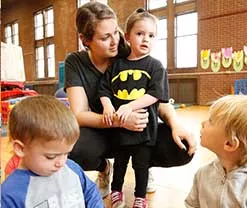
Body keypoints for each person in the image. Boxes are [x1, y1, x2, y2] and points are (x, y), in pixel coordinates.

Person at [64, 1, 195, 199]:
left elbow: (158, 98)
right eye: (105, 37)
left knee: (181, 147)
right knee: (72, 148)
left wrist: (176, 124)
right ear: (85, 40)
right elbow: (79, 114)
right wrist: (120, 120)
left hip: (140, 129)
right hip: (105, 129)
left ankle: (145, 161)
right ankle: (104, 167)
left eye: (115, 32)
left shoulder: (129, 50)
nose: (114, 41)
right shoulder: (75, 62)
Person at [98, 8, 168, 208]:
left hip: (144, 129)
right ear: (127, 36)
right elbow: (104, 89)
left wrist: (129, 106)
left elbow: (155, 93)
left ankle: (140, 197)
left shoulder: (155, 66)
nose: (146, 39)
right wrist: (107, 106)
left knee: (141, 165)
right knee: (120, 163)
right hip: (121, 129)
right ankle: (116, 191)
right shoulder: (116, 66)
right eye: (140, 34)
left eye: (151, 35)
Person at [185, 95, 247, 208]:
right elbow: (192, 205)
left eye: (211, 121)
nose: (203, 123)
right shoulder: (203, 174)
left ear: (230, 144)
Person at [1, 95, 103, 208]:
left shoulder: (72, 168)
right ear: (21, 149)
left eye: (66, 154)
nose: (61, 163)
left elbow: (90, 192)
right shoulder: (10, 193)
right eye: (51, 156)